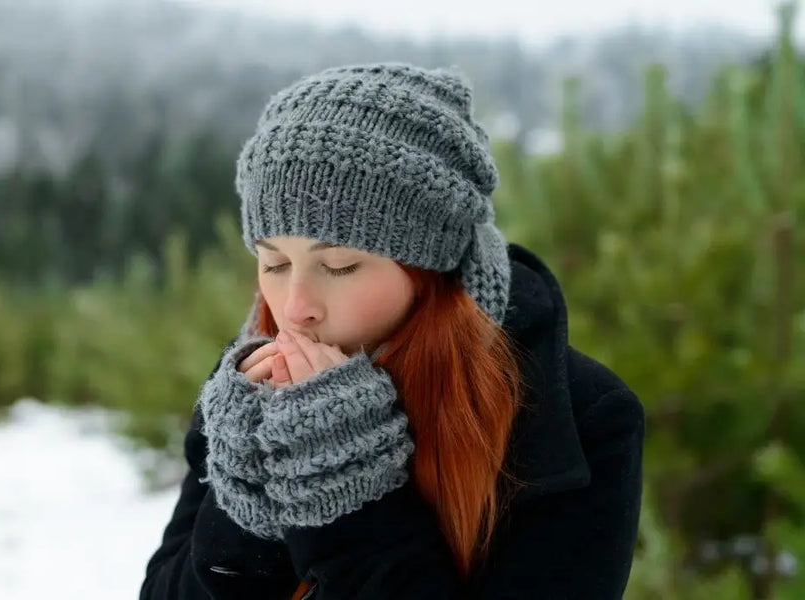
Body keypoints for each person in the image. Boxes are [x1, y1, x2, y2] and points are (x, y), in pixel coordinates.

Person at [139, 62, 645, 599]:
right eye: (275, 264)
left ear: (428, 269)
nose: (295, 308)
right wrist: (245, 508)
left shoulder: (579, 417)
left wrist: (349, 498)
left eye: (338, 266)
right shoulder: (246, 388)